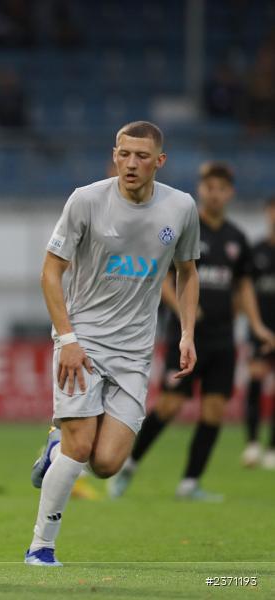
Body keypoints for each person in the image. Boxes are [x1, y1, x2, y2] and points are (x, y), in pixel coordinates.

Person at [25, 121, 200, 567]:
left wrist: (186, 332)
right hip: (81, 340)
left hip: (135, 353)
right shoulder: (86, 200)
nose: (131, 163)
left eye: (142, 156)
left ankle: (55, 445)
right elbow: (50, 271)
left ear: (159, 162)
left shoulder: (180, 208)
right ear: (115, 154)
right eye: (124, 154)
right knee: (80, 447)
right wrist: (66, 338)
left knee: (106, 464)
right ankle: (41, 546)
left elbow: (187, 271)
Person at [108, 162, 275, 501]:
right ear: (201, 189)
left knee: (214, 410)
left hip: (223, 338)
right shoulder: (180, 227)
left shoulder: (236, 238)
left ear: (230, 193)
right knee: (170, 405)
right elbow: (162, 275)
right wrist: (182, 309)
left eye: (221, 189)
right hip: (187, 335)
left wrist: (257, 326)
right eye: (209, 188)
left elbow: (243, 286)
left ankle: (190, 482)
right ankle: (130, 464)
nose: (215, 194)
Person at [242, 195, 275, 470]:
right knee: (255, 383)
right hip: (259, 330)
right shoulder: (256, 251)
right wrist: (255, 327)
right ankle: (252, 444)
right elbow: (244, 291)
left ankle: (273, 448)